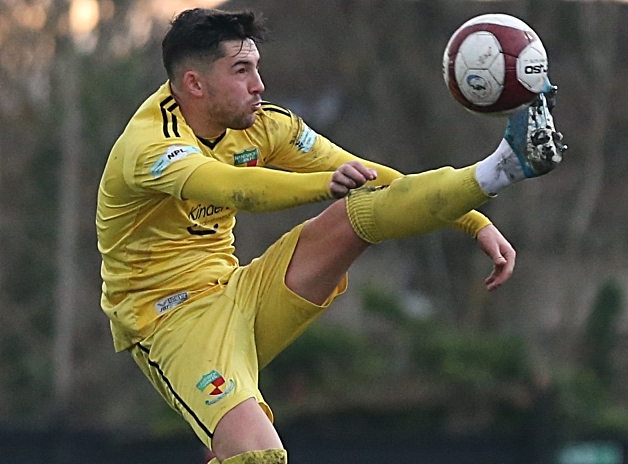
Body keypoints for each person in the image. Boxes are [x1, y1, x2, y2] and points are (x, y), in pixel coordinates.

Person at [96, 8, 565, 464]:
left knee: (357, 210)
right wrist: (323, 184)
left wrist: (473, 219)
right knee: (258, 455)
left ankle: (500, 167)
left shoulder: (263, 124)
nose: (259, 85)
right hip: (171, 320)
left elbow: (374, 178)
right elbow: (240, 189)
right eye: (241, 71)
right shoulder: (148, 147)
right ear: (195, 85)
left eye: (257, 67)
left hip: (239, 291)